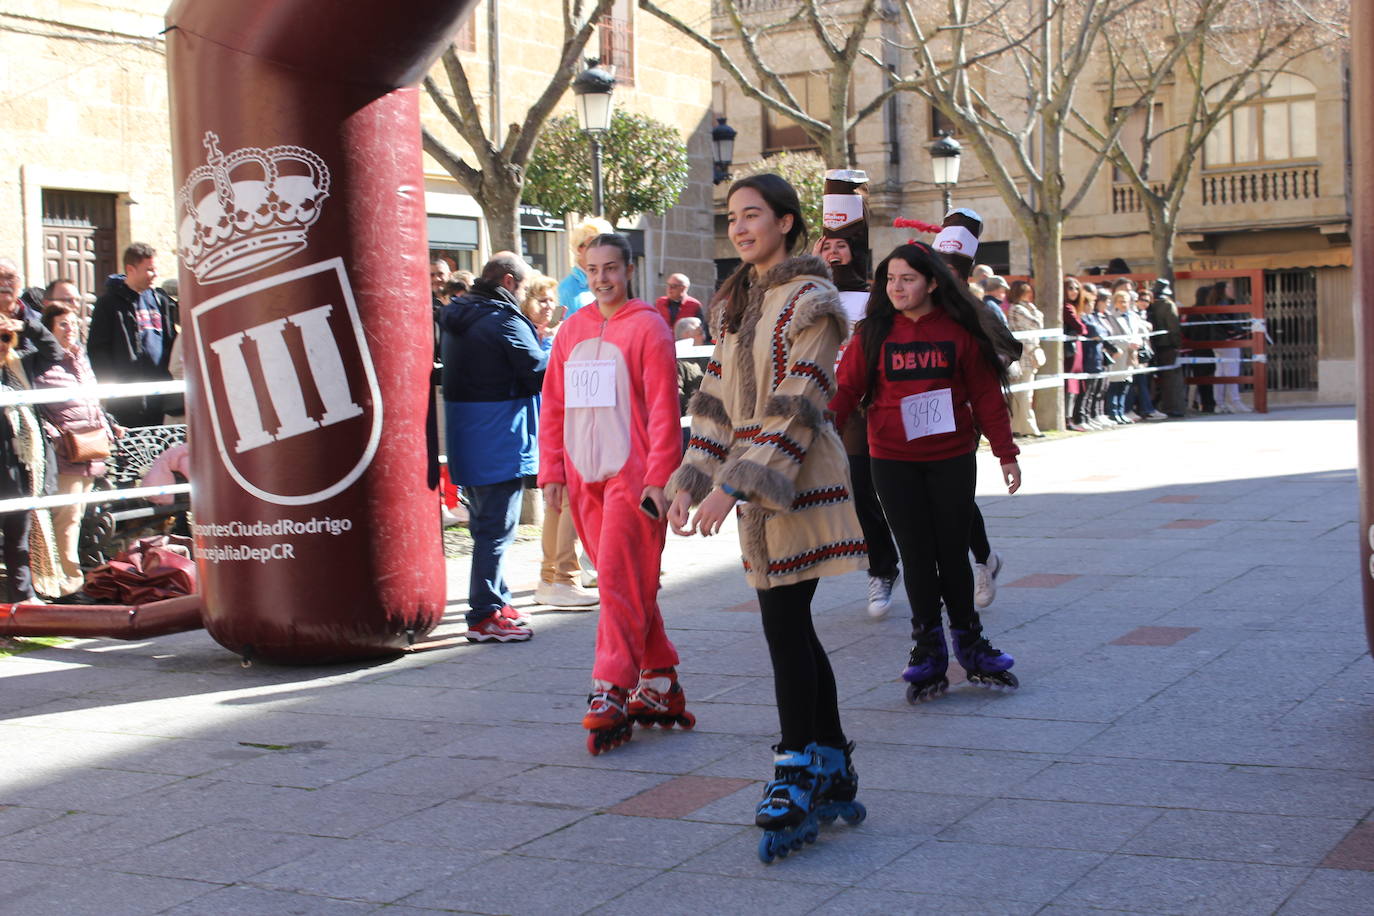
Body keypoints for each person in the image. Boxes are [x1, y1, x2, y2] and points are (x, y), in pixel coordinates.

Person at [667, 174, 867, 848]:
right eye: (732, 218)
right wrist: (689, 479)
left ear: (787, 222)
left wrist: (735, 486)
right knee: (791, 623)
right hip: (751, 485)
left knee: (785, 622)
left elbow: (800, 402)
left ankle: (795, 765)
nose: (741, 227)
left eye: (753, 215)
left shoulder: (812, 300)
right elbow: (716, 403)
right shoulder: (740, 303)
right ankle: (832, 760)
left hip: (798, 478)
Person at [830, 241, 1022, 705]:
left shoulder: (959, 330)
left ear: (932, 282)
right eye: (890, 280)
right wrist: (819, 442)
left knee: (952, 553)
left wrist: (1006, 452)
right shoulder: (872, 332)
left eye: (907, 279)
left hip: (952, 456)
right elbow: (846, 390)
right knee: (915, 555)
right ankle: (928, 647)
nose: (897, 288)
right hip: (892, 460)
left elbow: (986, 394)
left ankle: (971, 642)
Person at [539, 233, 687, 754]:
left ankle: (610, 688)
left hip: (635, 475)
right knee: (625, 582)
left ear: (628, 270)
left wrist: (659, 478)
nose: (602, 279)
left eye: (611, 268)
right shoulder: (570, 331)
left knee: (619, 583)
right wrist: (551, 470)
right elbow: (553, 406)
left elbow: (665, 411)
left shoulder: (648, 326)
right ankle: (661, 680)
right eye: (593, 269)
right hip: (583, 477)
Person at [440, 252, 547, 643]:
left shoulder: (458, 316)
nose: (522, 296)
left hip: (468, 438)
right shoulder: (501, 320)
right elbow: (537, 371)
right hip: (501, 437)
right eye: (521, 287)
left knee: (487, 526)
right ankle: (485, 614)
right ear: (508, 281)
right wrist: (563, 348)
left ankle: (497, 601)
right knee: (495, 530)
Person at [34, 296, 124, 595]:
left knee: (77, 517)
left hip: (90, 448)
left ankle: (69, 580)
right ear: (49, 329)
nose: (69, 329)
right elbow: (40, 409)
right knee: (67, 518)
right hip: (66, 452)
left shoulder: (81, 360)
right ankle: (67, 585)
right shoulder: (41, 363)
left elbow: (92, 402)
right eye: (62, 324)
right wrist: (55, 434)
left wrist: (108, 425)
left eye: (73, 323)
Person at [521, 274, 598, 610]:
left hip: (553, 420)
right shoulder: (530, 332)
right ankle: (561, 575)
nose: (548, 305)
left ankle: (554, 575)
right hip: (552, 422)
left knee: (560, 500)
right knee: (566, 500)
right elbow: (541, 373)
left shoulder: (551, 334)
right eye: (540, 298)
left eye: (551, 299)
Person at [0, 286, 64, 604]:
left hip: (20, 467)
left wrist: (24, 322)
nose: (1, 345)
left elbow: (54, 351)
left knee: (18, 534)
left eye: (4, 338)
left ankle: (22, 602)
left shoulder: (20, 366)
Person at [87, 243, 178, 428]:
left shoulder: (159, 301)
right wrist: (113, 387)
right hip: (125, 401)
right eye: (149, 270)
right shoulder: (108, 304)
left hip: (159, 397)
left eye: (155, 269)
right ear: (131, 269)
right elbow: (98, 349)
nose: (155, 275)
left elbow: (170, 341)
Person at [1006, 280, 1045, 439]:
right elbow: (1037, 324)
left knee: (1020, 393)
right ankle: (1028, 427)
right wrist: (1035, 309)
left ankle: (1018, 427)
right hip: (1025, 356)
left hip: (1024, 354)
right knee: (1025, 393)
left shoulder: (1017, 309)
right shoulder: (1019, 309)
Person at [556, 217, 615, 320]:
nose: (601, 250)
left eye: (606, 244)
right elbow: (553, 325)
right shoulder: (564, 289)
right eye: (595, 244)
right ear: (579, 248)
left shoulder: (613, 282)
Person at [1211, 280, 1251, 413]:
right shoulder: (1223, 304)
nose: (1232, 290)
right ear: (1223, 289)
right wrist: (1238, 330)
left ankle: (1220, 403)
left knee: (1221, 372)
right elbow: (1226, 323)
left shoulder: (1214, 303)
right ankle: (1235, 401)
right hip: (1227, 341)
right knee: (1231, 371)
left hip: (1218, 342)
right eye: (1229, 287)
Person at [1149, 279, 1186, 417]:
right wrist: (1177, 345)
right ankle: (1173, 407)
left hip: (1153, 345)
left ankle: (1158, 405)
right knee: (1171, 379)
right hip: (1168, 346)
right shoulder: (1168, 305)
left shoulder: (1151, 305)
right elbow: (1174, 328)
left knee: (1155, 379)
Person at [1063, 277, 1089, 431]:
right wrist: (1082, 329)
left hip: (1076, 350)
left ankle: (1071, 417)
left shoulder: (1073, 307)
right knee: (1069, 385)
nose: (1074, 291)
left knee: (1074, 385)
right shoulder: (1066, 307)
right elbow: (1081, 328)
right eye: (1070, 288)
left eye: (1076, 288)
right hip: (1069, 351)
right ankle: (1067, 419)